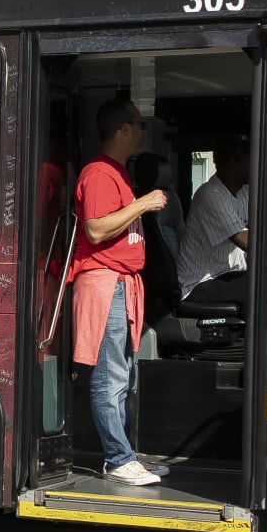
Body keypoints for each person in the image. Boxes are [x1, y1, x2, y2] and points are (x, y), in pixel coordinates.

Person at [70, 99, 165, 486]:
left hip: (120, 284)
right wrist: (142, 203)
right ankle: (119, 457)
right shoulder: (98, 173)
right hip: (106, 281)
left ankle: (125, 455)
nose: (143, 131)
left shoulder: (116, 174)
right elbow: (95, 229)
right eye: (139, 125)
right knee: (111, 376)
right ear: (123, 129)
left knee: (122, 374)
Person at [174, 142, 248, 302]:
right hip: (200, 284)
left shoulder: (243, 193)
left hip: (225, 275)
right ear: (232, 162)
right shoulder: (211, 195)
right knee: (264, 287)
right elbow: (246, 240)